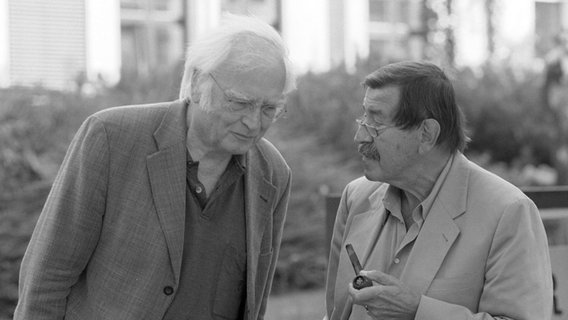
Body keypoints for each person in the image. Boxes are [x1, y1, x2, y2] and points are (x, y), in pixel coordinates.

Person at [15, 14, 295, 320]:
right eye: (240, 103)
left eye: (270, 109)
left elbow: (255, 301)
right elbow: (46, 278)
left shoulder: (273, 174)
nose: (254, 123)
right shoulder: (112, 137)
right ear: (198, 82)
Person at [324, 61, 553, 319]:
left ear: (426, 134)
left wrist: (417, 312)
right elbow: (334, 313)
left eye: (375, 124)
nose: (360, 136)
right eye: (362, 118)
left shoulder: (508, 212)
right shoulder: (356, 197)